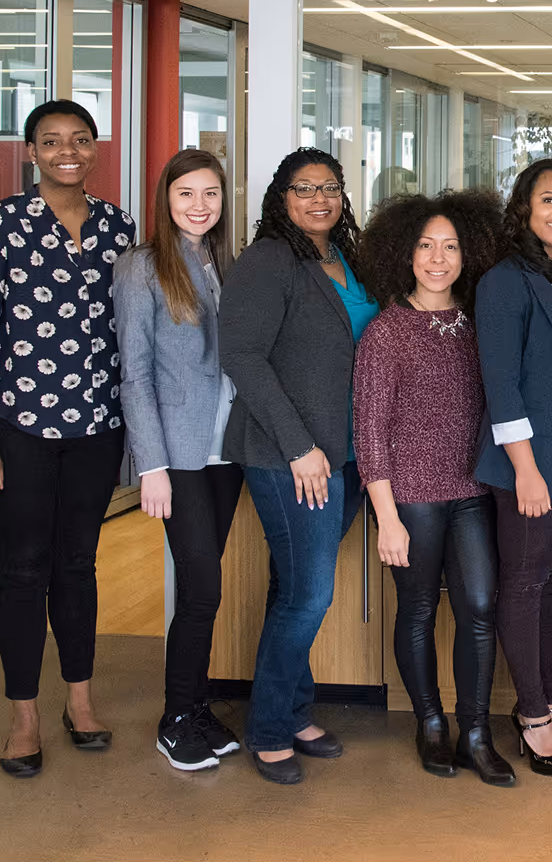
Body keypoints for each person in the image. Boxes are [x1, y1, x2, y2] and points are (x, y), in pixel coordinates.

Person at [0, 100, 136, 778]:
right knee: (25, 569)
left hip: (96, 426)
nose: (68, 151)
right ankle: (24, 714)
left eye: (80, 140)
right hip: (19, 428)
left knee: (79, 565)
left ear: (94, 150)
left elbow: (128, 334)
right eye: (52, 141)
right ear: (31, 151)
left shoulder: (119, 227)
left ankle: (80, 702)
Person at [219, 147, 377, 785]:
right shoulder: (268, 261)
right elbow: (243, 357)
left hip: (349, 453)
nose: (320, 199)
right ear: (280, 198)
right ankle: (267, 728)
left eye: (330, 188)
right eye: (304, 189)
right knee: (309, 595)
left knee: (294, 591)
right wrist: (298, 447)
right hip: (294, 457)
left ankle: (291, 707)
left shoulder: (346, 259)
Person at [353, 190, 511, 784]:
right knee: (418, 609)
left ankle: (475, 731)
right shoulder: (386, 333)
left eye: (451, 247)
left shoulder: (476, 323)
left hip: (470, 491)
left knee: (478, 606)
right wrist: (386, 518)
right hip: (411, 497)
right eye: (426, 246)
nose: (439, 259)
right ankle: (431, 723)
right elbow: (369, 432)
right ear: (404, 253)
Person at [116, 149, 243, 771]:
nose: (200, 205)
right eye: (187, 193)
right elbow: (134, 375)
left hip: (227, 451)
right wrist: (152, 466)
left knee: (204, 587)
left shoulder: (225, 261)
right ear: (165, 199)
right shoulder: (141, 267)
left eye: (211, 194)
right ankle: (174, 718)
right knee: (201, 590)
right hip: (181, 456)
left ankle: (194, 707)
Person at [475, 158, 552, 778]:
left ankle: (551, 704)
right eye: (549, 200)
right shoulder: (505, 280)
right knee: (524, 583)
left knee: (549, 581)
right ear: (524, 207)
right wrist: (524, 468)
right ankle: (529, 717)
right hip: (533, 463)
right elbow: (500, 382)